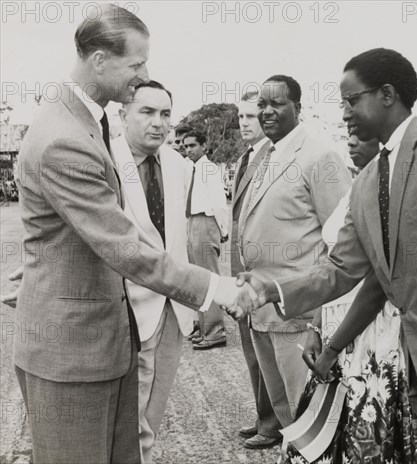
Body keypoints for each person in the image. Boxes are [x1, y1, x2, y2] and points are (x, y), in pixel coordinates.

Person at [236, 49, 417, 463]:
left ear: (386, 94)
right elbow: (342, 270)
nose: (344, 113)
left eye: (350, 99)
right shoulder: (365, 184)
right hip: (413, 367)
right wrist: (271, 289)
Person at [13, 5, 251, 462]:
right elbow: (124, 247)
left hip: (103, 343)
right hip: (73, 356)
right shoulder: (65, 137)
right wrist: (216, 286)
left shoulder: (86, 121)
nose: (144, 73)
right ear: (100, 61)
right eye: (137, 64)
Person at [282, 134, 417, 463]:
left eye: (361, 131)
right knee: (322, 434)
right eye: (348, 130)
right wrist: (317, 328)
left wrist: (332, 348)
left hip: (372, 336)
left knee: (365, 438)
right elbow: (335, 265)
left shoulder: (393, 191)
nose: (352, 139)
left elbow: (377, 286)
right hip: (336, 329)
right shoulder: (358, 185)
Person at [237, 75, 352, 430]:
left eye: (277, 104)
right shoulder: (265, 155)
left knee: (310, 420)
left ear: (297, 108)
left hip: (298, 315)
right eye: (262, 106)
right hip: (262, 310)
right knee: (287, 418)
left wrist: (322, 319)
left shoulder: (321, 156)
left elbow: (342, 242)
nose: (267, 112)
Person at [112, 80, 197, 463]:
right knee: (127, 417)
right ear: (123, 114)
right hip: (125, 310)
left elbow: (175, 240)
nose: (158, 123)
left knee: (153, 411)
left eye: (165, 114)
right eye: (147, 112)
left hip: (173, 309)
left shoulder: (180, 166)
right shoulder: (105, 160)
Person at [231, 89, 282, 449]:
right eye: (242, 117)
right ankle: (265, 416)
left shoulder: (274, 158)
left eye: (251, 116)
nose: (245, 123)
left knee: (270, 349)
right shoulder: (246, 158)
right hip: (243, 270)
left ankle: (275, 422)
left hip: (266, 272)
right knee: (252, 348)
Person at [184, 129, 229, 350]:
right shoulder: (191, 169)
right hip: (192, 221)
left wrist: (222, 229)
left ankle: (215, 331)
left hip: (206, 220)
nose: (188, 150)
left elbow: (220, 202)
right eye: (185, 146)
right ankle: (203, 329)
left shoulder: (209, 169)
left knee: (209, 278)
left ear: (203, 146)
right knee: (197, 278)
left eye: (192, 145)